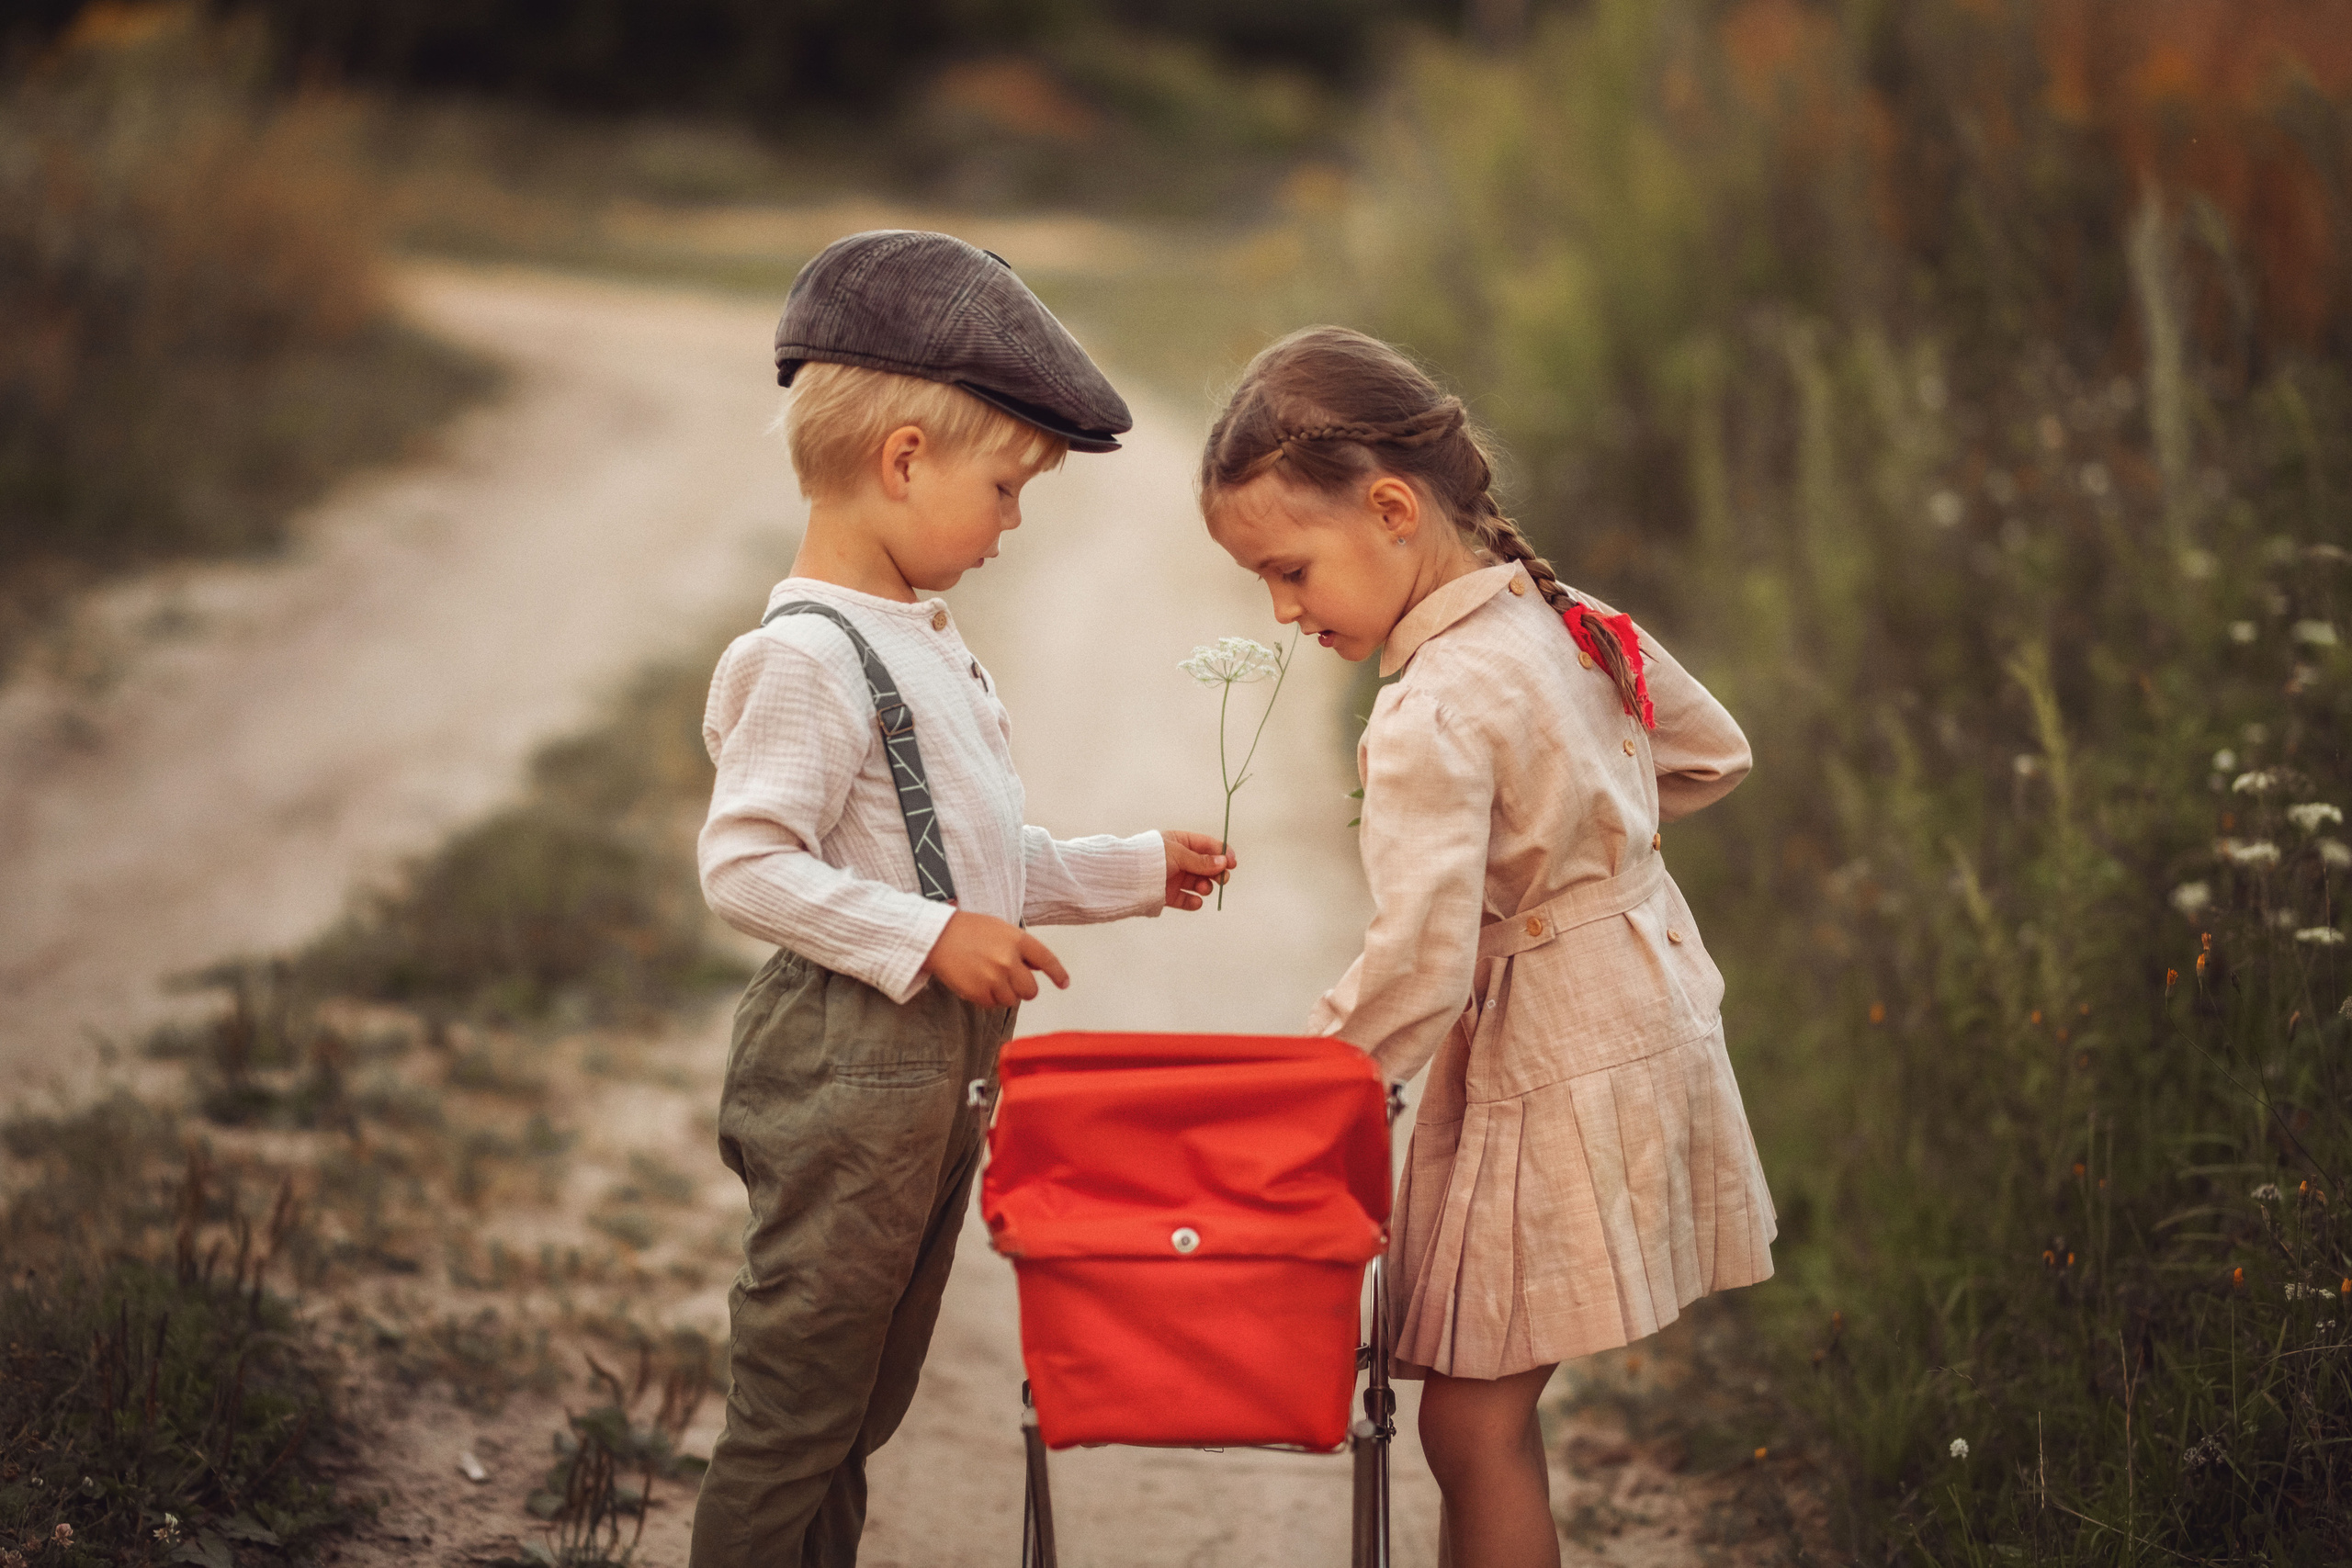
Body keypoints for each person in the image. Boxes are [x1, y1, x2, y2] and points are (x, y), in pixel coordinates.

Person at [690, 230, 1237, 1568]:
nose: (1010, 521)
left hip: (931, 1085)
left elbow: (967, 871)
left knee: (860, 1406)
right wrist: (928, 940)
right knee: (797, 1409)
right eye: (1006, 487)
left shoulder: (919, 640)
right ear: (903, 462)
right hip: (845, 1078)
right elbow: (746, 862)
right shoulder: (810, 657)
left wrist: (1127, 872)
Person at [1199, 326, 1776, 1567]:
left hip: (1553, 1066)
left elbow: (1420, 965)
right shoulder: (1568, 621)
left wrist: (1295, 1097)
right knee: (1481, 1409)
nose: (1284, 610)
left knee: (1470, 1423)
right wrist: (1586, 840)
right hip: (1649, 1012)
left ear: (1395, 509)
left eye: (1291, 571)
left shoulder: (1432, 707)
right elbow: (1712, 751)